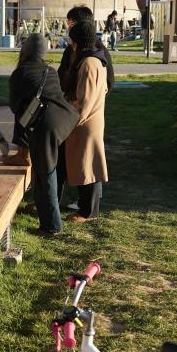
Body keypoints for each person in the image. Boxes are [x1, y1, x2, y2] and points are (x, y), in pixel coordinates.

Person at [5, 5, 113, 168]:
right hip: (71, 113)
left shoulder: (91, 60)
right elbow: (63, 77)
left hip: (78, 118)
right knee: (63, 167)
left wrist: (68, 112)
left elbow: (96, 92)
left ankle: (25, 154)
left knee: (81, 170)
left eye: (70, 23)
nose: (68, 28)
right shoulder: (76, 53)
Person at [8, 33, 79, 235]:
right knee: (47, 169)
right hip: (65, 120)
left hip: (45, 125)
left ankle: (52, 226)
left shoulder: (20, 73)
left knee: (45, 173)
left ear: (24, 51)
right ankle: (45, 214)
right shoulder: (50, 71)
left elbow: (14, 106)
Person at [61, 20, 109, 222]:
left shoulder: (89, 63)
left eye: (72, 40)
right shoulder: (95, 59)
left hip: (86, 122)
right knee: (87, 165)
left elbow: (85, 100)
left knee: (88, 167)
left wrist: (70, 119)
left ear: (77, 41)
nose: (70, 44)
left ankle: (88, 212)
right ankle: (85, 209)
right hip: (90, 120)